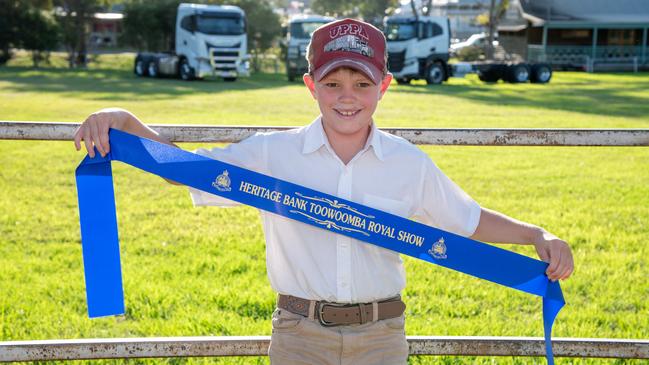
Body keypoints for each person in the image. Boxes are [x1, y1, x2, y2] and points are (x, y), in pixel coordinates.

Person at [74, 18, 573, 365]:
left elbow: (467, 220)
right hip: (298, 336)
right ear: (311, 86)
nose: (348, 97)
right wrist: (124, 122)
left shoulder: (407, 162)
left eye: (362, 82)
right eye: (334, 83)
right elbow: (185, 171)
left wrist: (537, 235)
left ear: (385, 87)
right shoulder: (272, 153)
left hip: (382, 337)